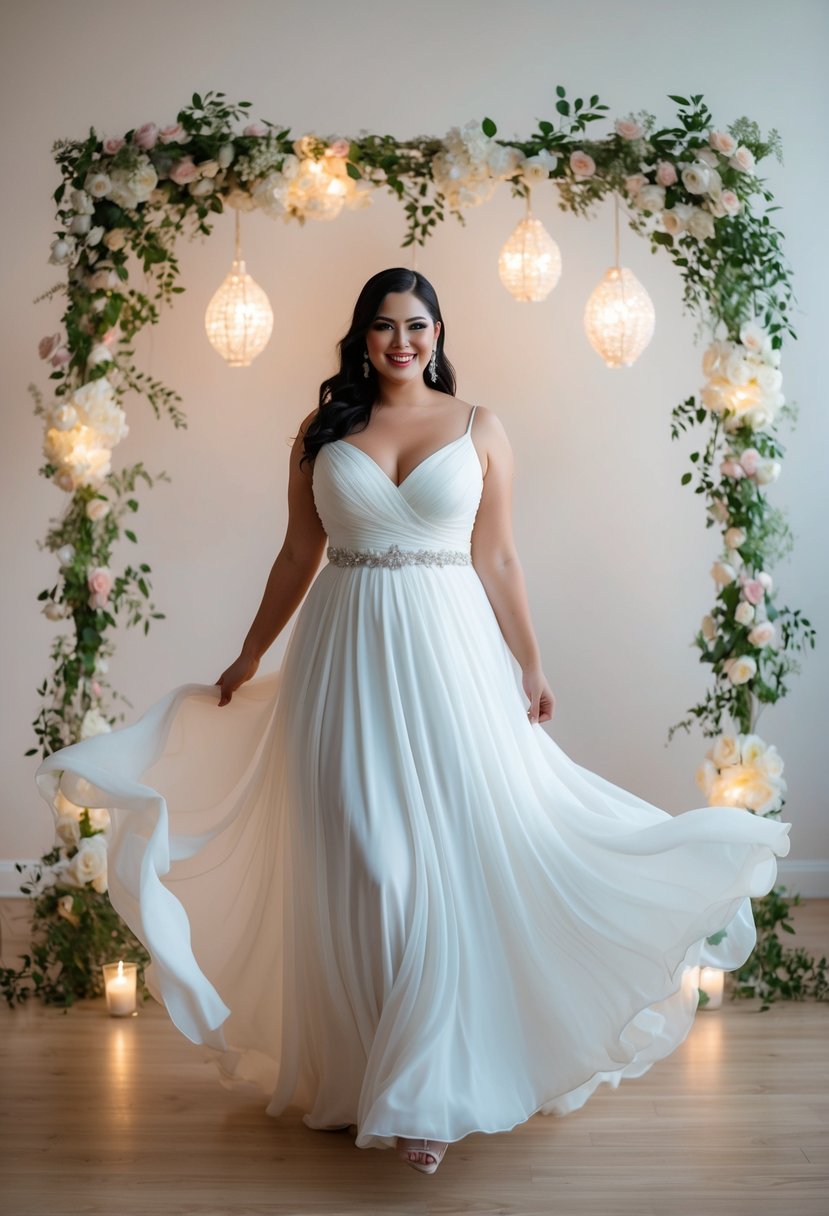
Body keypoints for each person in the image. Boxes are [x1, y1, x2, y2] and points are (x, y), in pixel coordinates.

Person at [36, 266, 791, 1177]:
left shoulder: (479, 428)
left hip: (450, 657)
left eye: (418, 325)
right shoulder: (321, 434)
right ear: (361, 338)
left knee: (446, 857)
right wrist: (247, 654)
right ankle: (365, 1074)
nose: (402, 341)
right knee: (366, 861)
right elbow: (294, 555)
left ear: (438, 334)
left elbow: (500, 555)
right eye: (386, 326)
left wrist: (531, 660)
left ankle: (424, 1094)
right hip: (343, 656)